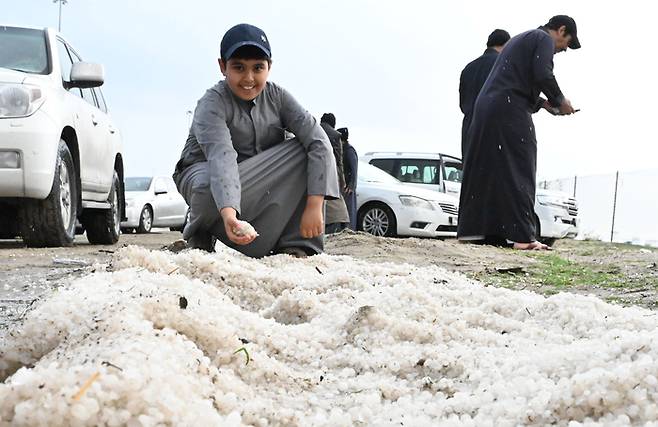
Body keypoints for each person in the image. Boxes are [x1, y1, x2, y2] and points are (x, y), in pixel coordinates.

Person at [173, 23, 339, 258]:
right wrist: (230, 216)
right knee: (206, 185)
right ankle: (200, 231)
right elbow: (222, 157)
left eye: (258, 68)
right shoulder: (211, 103)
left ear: (269, 67)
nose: (248, 78)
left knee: (305, 149)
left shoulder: (279, 97)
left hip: (256, 175)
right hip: (204, 171)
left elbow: (318, 141)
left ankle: (297, 244)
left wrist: (314, 204)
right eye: (239, 67)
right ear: (222, 66)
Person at [457, 15, 580, 250]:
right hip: (508, 107)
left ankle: (477, 232)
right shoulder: (542, 38)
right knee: (520, 163)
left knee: (487, 168)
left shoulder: (520, 39)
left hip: (488, 108)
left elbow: (518, 79)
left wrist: (544, 104)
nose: (561, 51)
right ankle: (523, 238)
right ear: (561, 30)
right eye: (565, 45)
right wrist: (560, 100)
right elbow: (543, 74)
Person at [459, 29, 511, 159]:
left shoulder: (468, 68)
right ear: (507, 45)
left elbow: (462, 104)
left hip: (469, 130)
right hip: (494, 131)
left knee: (472, 176)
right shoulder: (502, 65)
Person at [320, 113, 350, 234]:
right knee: (335, 200)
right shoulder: (336, 136)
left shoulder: (314, 130)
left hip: (314, 170)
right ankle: (340, 222)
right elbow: (339, 161)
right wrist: (342, 181)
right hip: (332, 171)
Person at [338, 127, 358, 230]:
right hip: (344, 184)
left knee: (349, 210)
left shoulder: (349, 151)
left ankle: (349, 229)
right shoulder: (343, 149)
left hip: (348, 187)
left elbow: (354, 169)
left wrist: (351, 185)